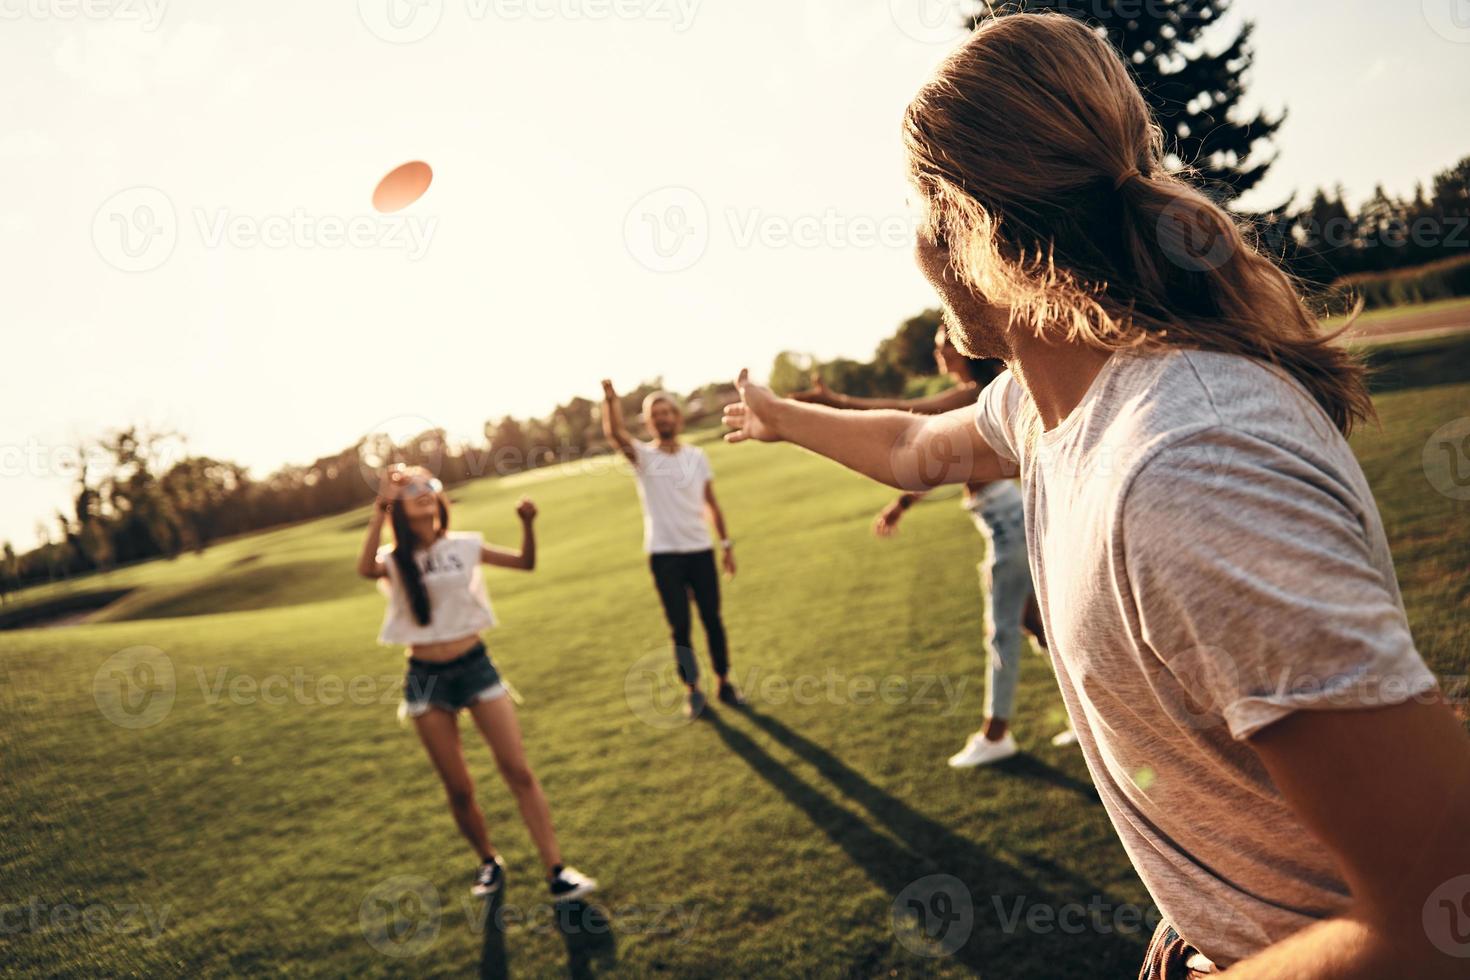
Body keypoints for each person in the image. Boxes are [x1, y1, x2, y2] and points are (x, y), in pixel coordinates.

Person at [721, 11, 1470, 977]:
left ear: (968, 226)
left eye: (918, 209)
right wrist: (782, 416)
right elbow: (915, 446)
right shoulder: (1054, 408)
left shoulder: (1188, 468)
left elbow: (1435, 919)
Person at [794, 327, 1076, 766]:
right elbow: (936, 462)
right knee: (1034, 624)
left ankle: (996, 734)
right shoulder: (976, 393)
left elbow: (908, 422)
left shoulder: (970, 396)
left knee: (1001, 630)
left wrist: (836, 403)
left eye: (943, 343)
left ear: (964, 348)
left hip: (1008, 524)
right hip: (1005, 518)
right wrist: (902, 503)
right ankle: (1083, 714)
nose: (939, 351)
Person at [357, 466, 597, 902]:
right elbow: (363, 568)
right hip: (426, 680)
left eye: (428, 484)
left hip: (476, 666)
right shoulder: (393, 559)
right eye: (409, 489)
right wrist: (381, 507)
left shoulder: (465, 545)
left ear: (440, 496)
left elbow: (525, 563)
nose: (422, 491)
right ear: (398, 504)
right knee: (459, 787)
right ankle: (488, 860)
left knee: (518, 771)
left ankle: (557, 869)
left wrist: (527, 524)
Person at [601, 380, 743, 719]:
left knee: (713, 620)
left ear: (677, 417)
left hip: (700, 549)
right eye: (656, 414)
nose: (663, 418)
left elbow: (711, 503)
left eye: (667, 412)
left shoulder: (697, 456)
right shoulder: (644, 458)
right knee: (680, 625)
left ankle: (724, 682)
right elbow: (616, 435)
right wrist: (610, 401)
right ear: (649, 423)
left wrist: (724, 544)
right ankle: (693, 691)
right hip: (664, 554)